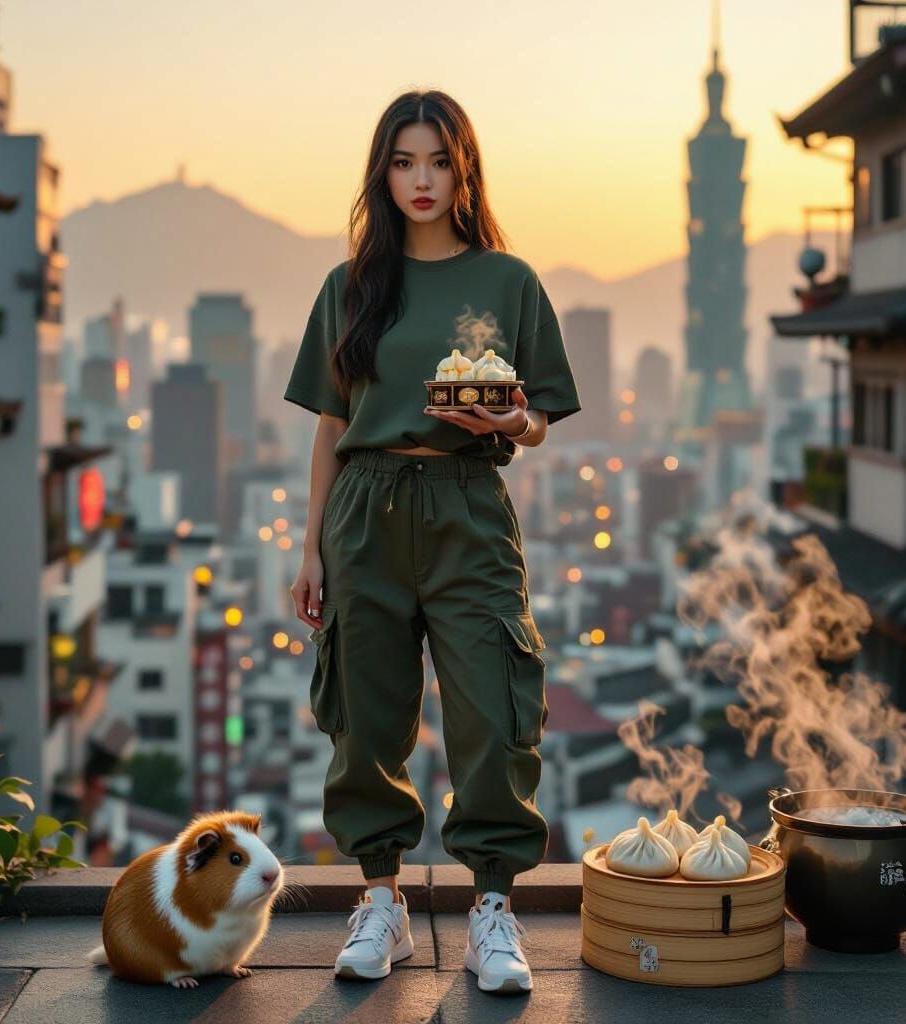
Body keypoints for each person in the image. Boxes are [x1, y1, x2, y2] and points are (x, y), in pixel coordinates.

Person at [283, 88, 581, 996]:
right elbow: (332, 425)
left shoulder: (508, 280)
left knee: (492, 706)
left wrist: (510, 417)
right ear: (383, 172)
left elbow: (538, 422)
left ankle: (492, 906)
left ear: (465, 170)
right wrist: (309, 548)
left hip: (468, 502)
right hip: (364, 511)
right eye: (404, 161)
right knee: (367, 713)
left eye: (439, 161)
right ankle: (383, 900)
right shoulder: (351, 287)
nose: (421, 179)